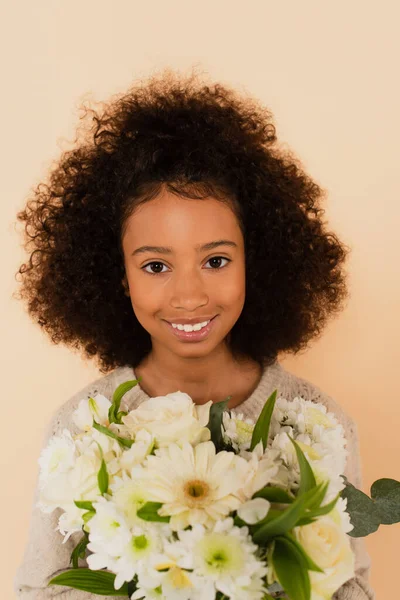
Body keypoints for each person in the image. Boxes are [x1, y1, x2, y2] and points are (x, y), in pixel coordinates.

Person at [13, 69, 375, 599]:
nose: (189, 296)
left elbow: (352, 584)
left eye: (216, 260)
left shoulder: (318, 424)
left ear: (259, 261)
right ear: (118, 276)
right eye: (156, 267)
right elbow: (39, 589)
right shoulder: (82, 428)